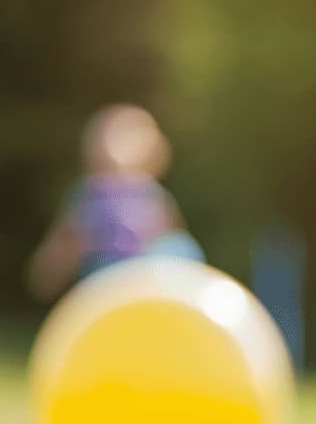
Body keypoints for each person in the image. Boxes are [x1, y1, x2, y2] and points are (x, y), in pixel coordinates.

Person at [26, 103, 204, 301]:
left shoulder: (153, 198)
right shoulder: (87, 198)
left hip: (144, 282)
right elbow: (58, 251)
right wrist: (61, 260)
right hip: (103, 282)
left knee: (180, 246)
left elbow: (175, 247)